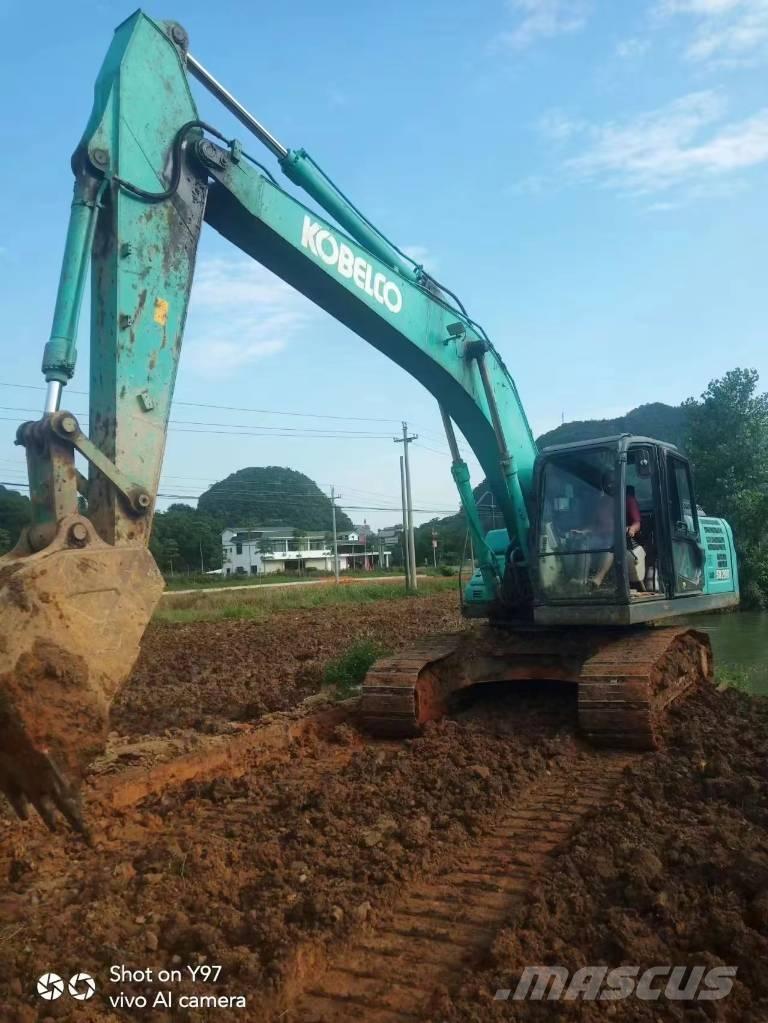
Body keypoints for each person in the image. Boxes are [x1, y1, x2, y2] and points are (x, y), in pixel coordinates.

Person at [588, 479, 646, 589]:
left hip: (625, 540)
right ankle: (579, 579)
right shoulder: (602, 502)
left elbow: (636, 523)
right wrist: (583, 531)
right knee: (582, 542)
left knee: (611, 543)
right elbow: (594, 525)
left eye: (612, 481)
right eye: (607, 481)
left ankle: (597, 579)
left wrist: (632, 529)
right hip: (601, 538)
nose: (609, 484)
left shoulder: (628, 500)